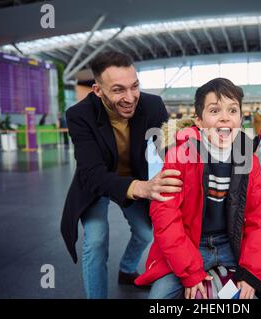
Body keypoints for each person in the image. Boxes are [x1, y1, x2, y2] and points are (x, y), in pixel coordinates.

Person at [135, 78, 261, 299]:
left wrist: (253, 273)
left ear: (240, 117)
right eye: (215, 110)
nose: (225, 117)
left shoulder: (247, 160)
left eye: (233, 110)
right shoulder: (180, 156)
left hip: (231, 245)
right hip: (190, 245)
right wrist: (190, 272)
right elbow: (165, 217)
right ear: (199, 121)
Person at [60, 52, 182, 299]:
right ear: (98, 90)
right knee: (95, 242)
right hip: (97, 184)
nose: (130, 98)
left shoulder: (153, 105)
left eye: (134, 86)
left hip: (136, 178)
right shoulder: (78, 115)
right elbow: (92, 173)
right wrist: (142, 188)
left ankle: (127, 269)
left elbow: (167, 149)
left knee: (146, 233)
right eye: (118, 90)